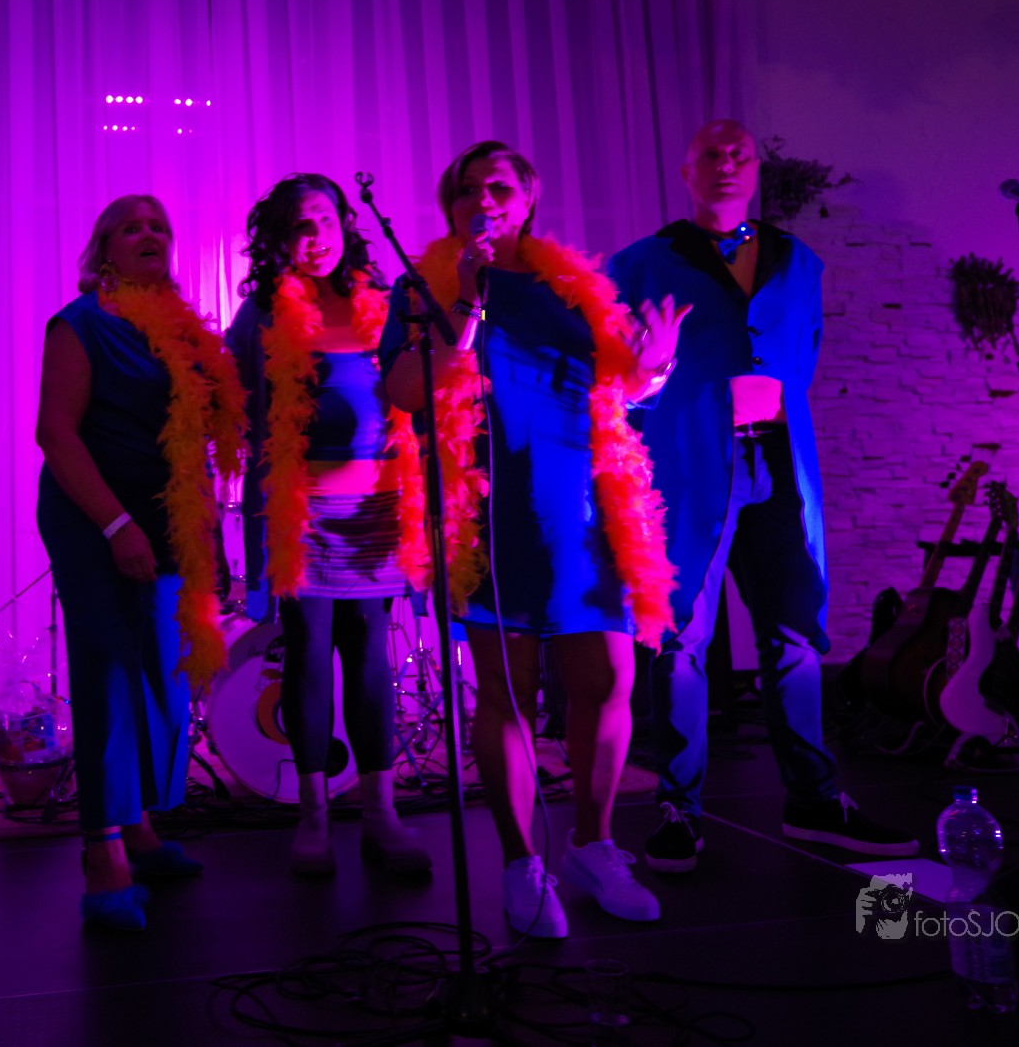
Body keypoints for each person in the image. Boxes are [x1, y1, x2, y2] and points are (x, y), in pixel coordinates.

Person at [382, 141, 685, 937]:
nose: (484, 200)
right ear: (451, 207)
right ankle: (522, 862)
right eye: (468, 190)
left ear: (527, 198)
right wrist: (466, 301)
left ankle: (593, 842)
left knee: (607, 679)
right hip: (495, 506)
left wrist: (654, 368)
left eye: (499, 187)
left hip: (585, 504)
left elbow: (618, 390)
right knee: (508, 693)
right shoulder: (424, 286)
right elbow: (406, 390)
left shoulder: (575, 286)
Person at [608, 118, 917, 873]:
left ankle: (814, 800)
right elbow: (617, 379)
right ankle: (679, 809)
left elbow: (803, 355)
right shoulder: (640, 263)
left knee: (793, 632)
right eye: (710, 155)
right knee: (682, 636)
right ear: (687, 171)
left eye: (739, 155)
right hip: (689, 466)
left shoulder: (798, 260)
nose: (726, 164)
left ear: (755, 170)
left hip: (777, 464)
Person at [35, 194, 246, 931]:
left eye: (160, 227)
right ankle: (102, 852)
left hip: (169, 526)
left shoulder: (184, 333)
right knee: (110, 677)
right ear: (104, 251)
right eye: (132, 227)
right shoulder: (80, 323)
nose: (150, 234)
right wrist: (117, 524)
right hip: (96, 519)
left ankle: (141, 826)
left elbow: (198, 451)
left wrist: (208, 542)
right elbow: (55, 434)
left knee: (161, 674)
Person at [226, 174, 432, 878]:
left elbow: (418, 388)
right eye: (298, 226)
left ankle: (380, 811)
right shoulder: (262, 313)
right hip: (302, 511)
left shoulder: (386, 301)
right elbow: (231, 402)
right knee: (309, 650)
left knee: (370, 653)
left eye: (323, 220)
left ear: (346, 224)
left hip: (375, 508)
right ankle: (313, 813)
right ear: (279, 240)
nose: (313, 236)